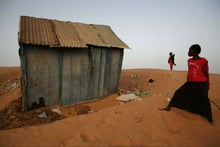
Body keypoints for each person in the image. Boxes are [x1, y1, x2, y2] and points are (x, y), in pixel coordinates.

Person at [160, 44, 213, 124]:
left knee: (204, 100)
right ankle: (169, 106)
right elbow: (190, 72)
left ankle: (209, 118)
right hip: (190, 82)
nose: (188, 52)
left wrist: (207, 85)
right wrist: (188, 81)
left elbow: (206, 73)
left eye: (190, 50)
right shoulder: (189, 60)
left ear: (195, 51)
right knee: (178, 92)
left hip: (201, 83)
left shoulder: (203, 61)